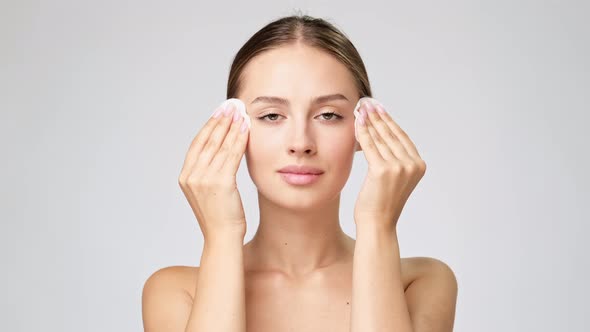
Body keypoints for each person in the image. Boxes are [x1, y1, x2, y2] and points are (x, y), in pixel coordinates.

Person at [142, 14, 458, 332]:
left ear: (363, 128)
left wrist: (378, 226)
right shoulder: (177, 292)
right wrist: (222, 235)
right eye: (272, 115)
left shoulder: (421, 283)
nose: (301, 143)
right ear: (231, 130)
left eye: (329, 115)